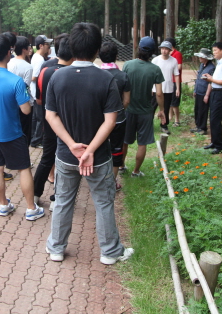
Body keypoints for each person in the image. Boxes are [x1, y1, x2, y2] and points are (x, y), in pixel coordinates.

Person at [45, 22, 133, 265]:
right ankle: (110, 252)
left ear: (72, 47)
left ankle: (56, 248)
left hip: (66, 156)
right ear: (97, 49)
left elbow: (51, 116)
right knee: (103, 203)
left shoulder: (57, 76)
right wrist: (90, 149)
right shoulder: (106, 79)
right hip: (99, 157)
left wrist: (72, 145)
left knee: (63, 201)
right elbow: (110, 120)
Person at [0, 34, 44, 221]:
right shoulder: (16, 81)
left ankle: (4, 205)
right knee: (24, 169)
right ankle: (31, 209)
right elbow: (26, 110)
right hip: (12, 133)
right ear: (8, 53)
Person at [33, 34, 73, 211]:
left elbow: (39, 100)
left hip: (48, 122)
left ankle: (34, 195)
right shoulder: (74, 74)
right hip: (69, 126)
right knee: (64, 161)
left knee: (47, 158)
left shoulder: (45, 70)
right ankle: (57, 199)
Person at [121, 36, 165, 177]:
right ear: (152, 52)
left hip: (128, 110)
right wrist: (162, 110)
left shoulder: (127, 65)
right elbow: (159, 94)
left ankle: (121, 166)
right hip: (145, 112)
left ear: (138, 49)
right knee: (142, 143)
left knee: (124, 141)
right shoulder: (155, 69)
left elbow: (122, 86)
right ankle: (136, 171)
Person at [99, 41, 130, 188]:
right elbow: (127, 100)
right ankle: (112, 182)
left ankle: (98, 180)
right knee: (116, 150)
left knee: (99, 147)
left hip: (99, 120)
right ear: (116, 56)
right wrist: (117, 110)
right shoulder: (123, 76)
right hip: (118, 119)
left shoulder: (96, 75)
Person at [202, 42, 222, 154]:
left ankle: (220, 146)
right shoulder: (220, 63)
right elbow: (218, 79)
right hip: (215, 92)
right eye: (213, 51)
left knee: (216, 119)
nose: (214, 53)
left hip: (221, 93)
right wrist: (210, 77)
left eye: (215, 50)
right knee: (212, 118)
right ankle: (214, 142)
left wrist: (211, 80)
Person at [8, 36, 34, 143]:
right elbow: (25, 86)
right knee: (24, 134)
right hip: (24, 103)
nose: (30, 48)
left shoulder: (9, 62)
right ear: (24, 49)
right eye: (29, 46)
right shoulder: (28, 67)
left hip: (10, 102)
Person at [152, 41, 180, 134]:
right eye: (162, 49)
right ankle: (148, 124)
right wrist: (150, 87)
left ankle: (164, 125)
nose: (164, 51)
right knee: (152, 107)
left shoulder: (174, 60)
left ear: (170, 50)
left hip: (168, 88)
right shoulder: (155, 60)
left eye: (166, 49)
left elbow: (176, 75)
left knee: (166, 108)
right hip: (156, 88)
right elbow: (151, 75)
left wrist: (177, 88)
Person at [30, 35, 53, 148]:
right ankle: (36, 141)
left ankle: (33, 138)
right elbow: (34, 77)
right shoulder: (39, 60)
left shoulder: (36, 56)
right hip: (37, 92)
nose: (49, 47)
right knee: (40, 119)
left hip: (34, 92)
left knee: (36, 118)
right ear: (41, 46)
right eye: (47, 44)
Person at [190, 48, 215, 134]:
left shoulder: (211, 68)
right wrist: (195, 90)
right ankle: (198, 126)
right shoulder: (202, 65)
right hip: (198, 91)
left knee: (203, 110)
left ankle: (203, 128)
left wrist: (207, 95)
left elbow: (210, 82)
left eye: (202, 57)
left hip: (204, 92)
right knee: (197, 110)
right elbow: (198, 78)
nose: (200, 58)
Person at [165, 37, 183, 127]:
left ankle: (177, 120)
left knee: (175, 102)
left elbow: (179, 66)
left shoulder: (177, 54)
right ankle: (170, 117)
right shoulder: (167, 55)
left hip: (175, 81)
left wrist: (169, 68)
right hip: (168, 80)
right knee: (169, 100)